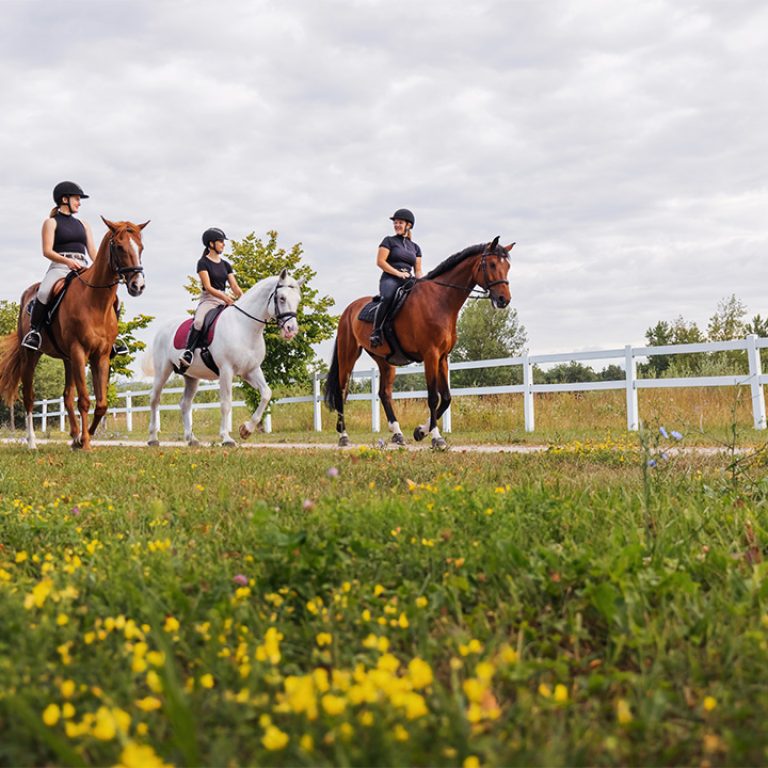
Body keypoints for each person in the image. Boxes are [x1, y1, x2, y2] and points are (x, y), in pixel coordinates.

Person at [21, 181, 129, 355]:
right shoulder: (51, 223)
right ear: (65, 199)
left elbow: (93, 251)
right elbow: (47, 251)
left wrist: (101, 269)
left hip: (82, 267)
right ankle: (35, 333)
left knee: (113, 297)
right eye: (76, 199)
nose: (79, 203)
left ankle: (114, 338)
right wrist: (67, 261)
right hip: (60, 267)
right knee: (43, 292)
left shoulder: (83, 224)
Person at [178, 227, 243, 371]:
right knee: (199, 321)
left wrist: (244, 299)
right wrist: (224, 297)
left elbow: (234, 286)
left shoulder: (226, 264)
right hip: (209, 299)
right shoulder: (203, 262)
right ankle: (188, 352)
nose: (223, 245)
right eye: (221, 242)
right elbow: (207, 287)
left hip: (225, 300)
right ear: (211, 244)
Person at [369, 208, 423, 347]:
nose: (397, 225)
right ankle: (376, 332)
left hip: (408, 279)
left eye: (400, 223)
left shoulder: (415, 247)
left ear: (408, 225)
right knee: (387, 297)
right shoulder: (389, 241)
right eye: (395, 223)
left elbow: (418, 270)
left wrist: (423, 282)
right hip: (390, 278)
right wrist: (398, 273)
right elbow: (380, 262)